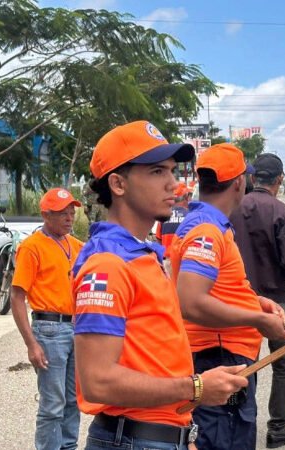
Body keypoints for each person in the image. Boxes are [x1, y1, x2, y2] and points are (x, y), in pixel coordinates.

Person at [72, 120, 248, 450]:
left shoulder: (141, 253)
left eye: (172, 171)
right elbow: (97, 381)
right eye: (157, 172)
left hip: (158, 435)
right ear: (118, 184)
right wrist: (195, 388)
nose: (174, 185)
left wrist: (184, 432)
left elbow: (156, 357)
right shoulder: (108, 265)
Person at [170, 143, 285, 450]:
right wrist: (258, 319)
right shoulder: (207, 232)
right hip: (219, 357)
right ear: (239, 183)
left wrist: (256, 301)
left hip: (221, 354)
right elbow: (191, 300)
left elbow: (217, 286)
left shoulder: (208, 226)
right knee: (225, 438)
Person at [230, 153, 285, 448]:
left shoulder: (232, 211)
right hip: (277, 299)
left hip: (238, 299)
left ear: (251, 178)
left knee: (243, 362)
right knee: (282, 363)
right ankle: (277, 428)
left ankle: (239, 424)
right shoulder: (283, 212)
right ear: (279, 180)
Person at [11, 187, 84, 450]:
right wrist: (31, 344)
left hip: (76, 327)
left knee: (74, 400)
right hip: (49, 329)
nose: (69, 217)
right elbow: (17, 296)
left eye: (71, 212)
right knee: (53, 404)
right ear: (45, 215)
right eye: (62, 213)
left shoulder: (76, 246)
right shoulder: (31, 247)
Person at [155, 182, 192, 271]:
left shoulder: (164, 216)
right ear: (186, 197)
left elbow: (159, 240)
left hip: (167, 262)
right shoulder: (191, 216)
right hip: (186, 263)